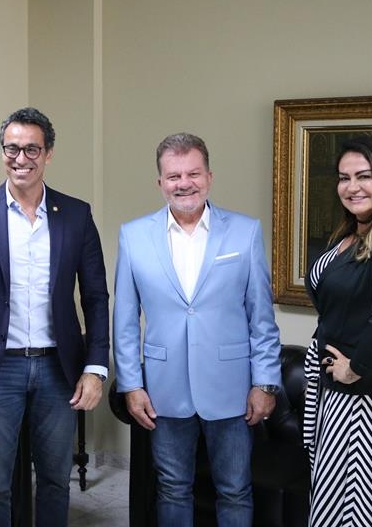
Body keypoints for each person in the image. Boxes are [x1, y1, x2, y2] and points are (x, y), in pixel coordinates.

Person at [0, 107, 109, 527]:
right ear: (2, 152)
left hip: (58, 368)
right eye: (11, 148)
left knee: (54, 480)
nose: (21, 158)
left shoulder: (76, 214)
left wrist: (95, 368)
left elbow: (95, 297)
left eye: (32, 149)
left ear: (48, 153)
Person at [113, 132, 282, 526]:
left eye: (193, 173)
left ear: (209, 177)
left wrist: (266, 382)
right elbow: (124, 321)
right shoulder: (133, 236)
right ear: (160, 182)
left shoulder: (245, 232)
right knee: (172, 488)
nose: (184, 183)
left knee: (235, 490)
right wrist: (131, 385)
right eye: (174, 176)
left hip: (231, 387)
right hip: (164, 388)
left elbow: (261, 318)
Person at [303, 135, 372, 526]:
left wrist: (354, 368)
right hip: (334, 392)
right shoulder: (349, 234)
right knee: (334, 502)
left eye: (364, 176)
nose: (352, 187)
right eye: (344, 177)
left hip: (363, 397)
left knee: (356, 510)